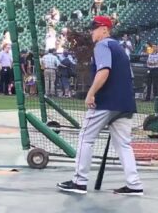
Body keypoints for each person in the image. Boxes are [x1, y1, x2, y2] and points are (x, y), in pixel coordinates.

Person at [57, 16, 143, 195]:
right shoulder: (119, 47)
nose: (92, 32)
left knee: (85, 137)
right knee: (124, 144)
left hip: (107, 101)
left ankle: (79, 181)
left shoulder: (103, 45)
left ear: (105, 29)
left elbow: (104, 72)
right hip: (125, 102)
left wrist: (91, 93)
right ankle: (134, 184)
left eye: (95, 28)